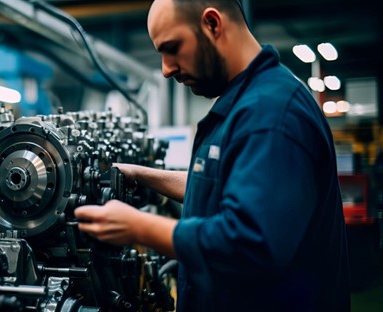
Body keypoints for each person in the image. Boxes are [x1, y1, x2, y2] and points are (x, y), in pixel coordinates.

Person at [74, 0, 350, 311]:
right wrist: (141, 174)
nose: (166, 69)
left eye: (172, 47)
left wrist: (138, 226)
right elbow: (218, 185)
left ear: (213, 24)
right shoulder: (244, 103)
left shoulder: (271, 114)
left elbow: (249, 246)